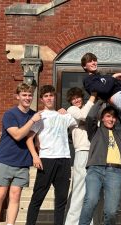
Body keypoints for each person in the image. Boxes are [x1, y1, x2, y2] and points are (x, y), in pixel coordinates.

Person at [78, 102, 121, 225]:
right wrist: (102, 99)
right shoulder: (95, 132)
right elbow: (90, 118)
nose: (111, 119)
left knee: (111, 211)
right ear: (102, 118)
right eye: (108, 116)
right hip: (95, 170)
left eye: (113, 117)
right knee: (91, 201)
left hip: (115, 173)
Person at [0, 82, 42, 225]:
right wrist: (32, 121)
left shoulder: (34, 115)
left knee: (16, 195)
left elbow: (35, 138)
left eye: (30, 95)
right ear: (17, 96)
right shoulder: (10, 114)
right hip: (5, 159)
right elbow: (18, 135)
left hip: (23, 162)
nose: (27, 98)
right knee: (0, 194)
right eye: (24, 95)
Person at [25, 85, 77, 225]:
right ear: (42, 99)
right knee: (37, 198)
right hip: (46, 160)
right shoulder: (40, 116)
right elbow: (29, 139)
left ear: (55, 97)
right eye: (46, 96)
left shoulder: (64, 115)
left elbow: (82, 117)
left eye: (51, 95)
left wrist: (68, 110)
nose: (49, 98)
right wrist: (35, 156)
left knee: (61, 201)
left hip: (64, 160)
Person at [64, 87, 102, 225]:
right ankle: (72, 221)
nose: (76, 100)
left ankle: (90, 221)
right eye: (73, 99)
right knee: (79, 188)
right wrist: (93, 96)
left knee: (92, 190)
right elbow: (84, 116)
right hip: (81, 152)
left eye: (78, 97)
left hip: (95, 153)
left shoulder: (87, 108)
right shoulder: (71, 110)